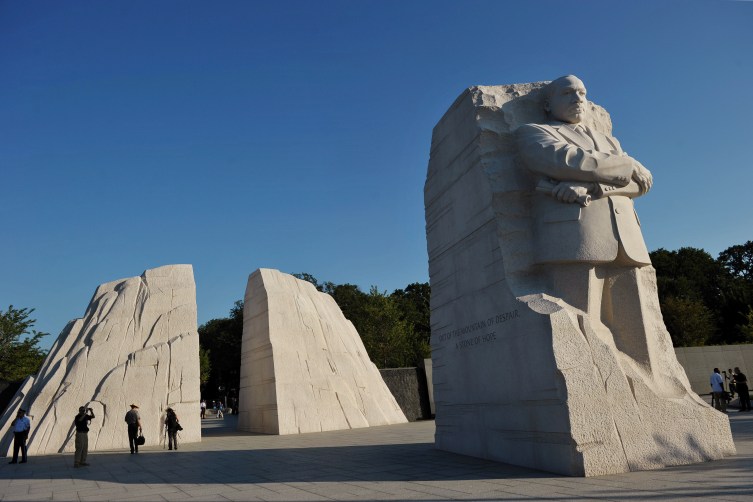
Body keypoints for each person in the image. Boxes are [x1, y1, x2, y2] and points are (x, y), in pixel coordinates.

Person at [516, 75, 655, 366]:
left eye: (582, 93)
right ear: (547, 103)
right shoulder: (533, 132)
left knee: (640, 339)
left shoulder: (608, 141)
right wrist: (627, 164)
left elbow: (642, 184)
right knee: (582, 329)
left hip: (625, 238)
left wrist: (593, 187)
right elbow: (569, 160)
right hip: (576, 238)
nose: (578, 98)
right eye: (567, 93)